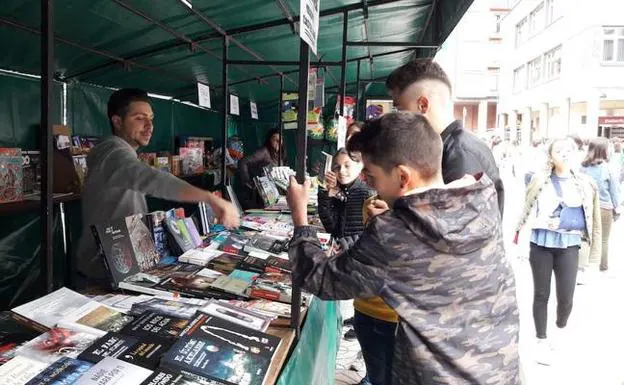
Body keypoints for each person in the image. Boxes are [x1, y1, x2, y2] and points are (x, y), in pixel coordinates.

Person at [287, 112, 520, 385]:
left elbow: (320, 278)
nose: (367, 182)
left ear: (402, 176)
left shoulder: (394, 233)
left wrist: (300, 216)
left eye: (371, 176)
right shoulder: (479, 197)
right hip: (497, 370)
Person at [77, 88, 239, 285]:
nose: (149, 126)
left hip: (119, 264)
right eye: (139, 118)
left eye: (151, 118)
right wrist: (210, 198)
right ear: (117, 121)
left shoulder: (121, 153)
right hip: (104, 270)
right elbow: (153, 180)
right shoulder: (113, 152)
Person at [515, 138, 601, 365]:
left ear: (577, 153)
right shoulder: (539, 179)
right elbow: (527, 212)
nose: (564, 154)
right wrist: (529, 235)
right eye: (559, 150)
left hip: (569, 245)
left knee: (567, 298)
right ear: (550, 155)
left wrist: (594, 257)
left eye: (569, 150)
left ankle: (560, 325)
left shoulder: (586, 183)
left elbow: (593, 223)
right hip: (541, 243)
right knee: (541, 294)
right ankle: (541, 340)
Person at [385, 59, 504, 216]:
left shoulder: (461, 154)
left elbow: (456, 232)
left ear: (422, 105)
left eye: (400, 109)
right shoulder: (447, 146)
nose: (399, 117)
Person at [581, 137, 620, 272]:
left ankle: (584, 263)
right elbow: (614, 191)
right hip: (604, 208)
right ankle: (602, 265)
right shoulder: (608, 168)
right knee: (603, 239)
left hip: (585, 206)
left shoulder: (581, 167)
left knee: (586, 236)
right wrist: (617, 208)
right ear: (603, 150)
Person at [317, 148, 373, 240]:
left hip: (357, 250)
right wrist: (326, 195)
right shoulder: (340, 190)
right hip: (341, 249)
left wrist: (345, 245)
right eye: (337, 167)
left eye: (347, 166)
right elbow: (332, 229)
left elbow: (369, 235)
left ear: (360, 167)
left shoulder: (367, 194)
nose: (341, 171)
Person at [238, 129, 286, 209]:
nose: (278, 141)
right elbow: (243, 162)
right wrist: (247, 181)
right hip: (260, 194)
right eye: (275, 139)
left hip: (272, 194)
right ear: (269, 140)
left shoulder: (278, 153)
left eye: (280, 139)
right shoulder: (264, 152)